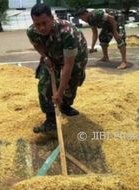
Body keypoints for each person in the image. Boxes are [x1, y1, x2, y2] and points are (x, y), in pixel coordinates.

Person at [26, 3, 88, 133]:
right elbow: (36, 44)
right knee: (44, 85)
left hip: (75, 58)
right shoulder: (32, 31)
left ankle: (65, 106)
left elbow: (68, 65)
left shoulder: (67, 32)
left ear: (52, 18)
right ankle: (51, 121)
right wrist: (46, 57)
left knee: (68, 88)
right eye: (37, 24)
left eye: (45, 23)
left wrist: (59, 93)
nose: (41, 28)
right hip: (52, 55)